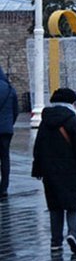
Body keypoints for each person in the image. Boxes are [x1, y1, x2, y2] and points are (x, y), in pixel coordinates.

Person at [32, 88, 76, 254]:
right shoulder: (73, 121)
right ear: (72, 103)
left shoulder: (45, 120)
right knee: (73, 204)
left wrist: (38, 170)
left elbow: (39, 147)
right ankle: (72, 234)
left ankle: (55, 242)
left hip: (49, 170)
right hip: (71, 168)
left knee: (55, 205)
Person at [0, 65, 18, 198]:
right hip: (6, 130)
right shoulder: (10, 89)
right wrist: (9, 124)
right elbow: (15, 110)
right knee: (5, 158)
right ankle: (4, 187)